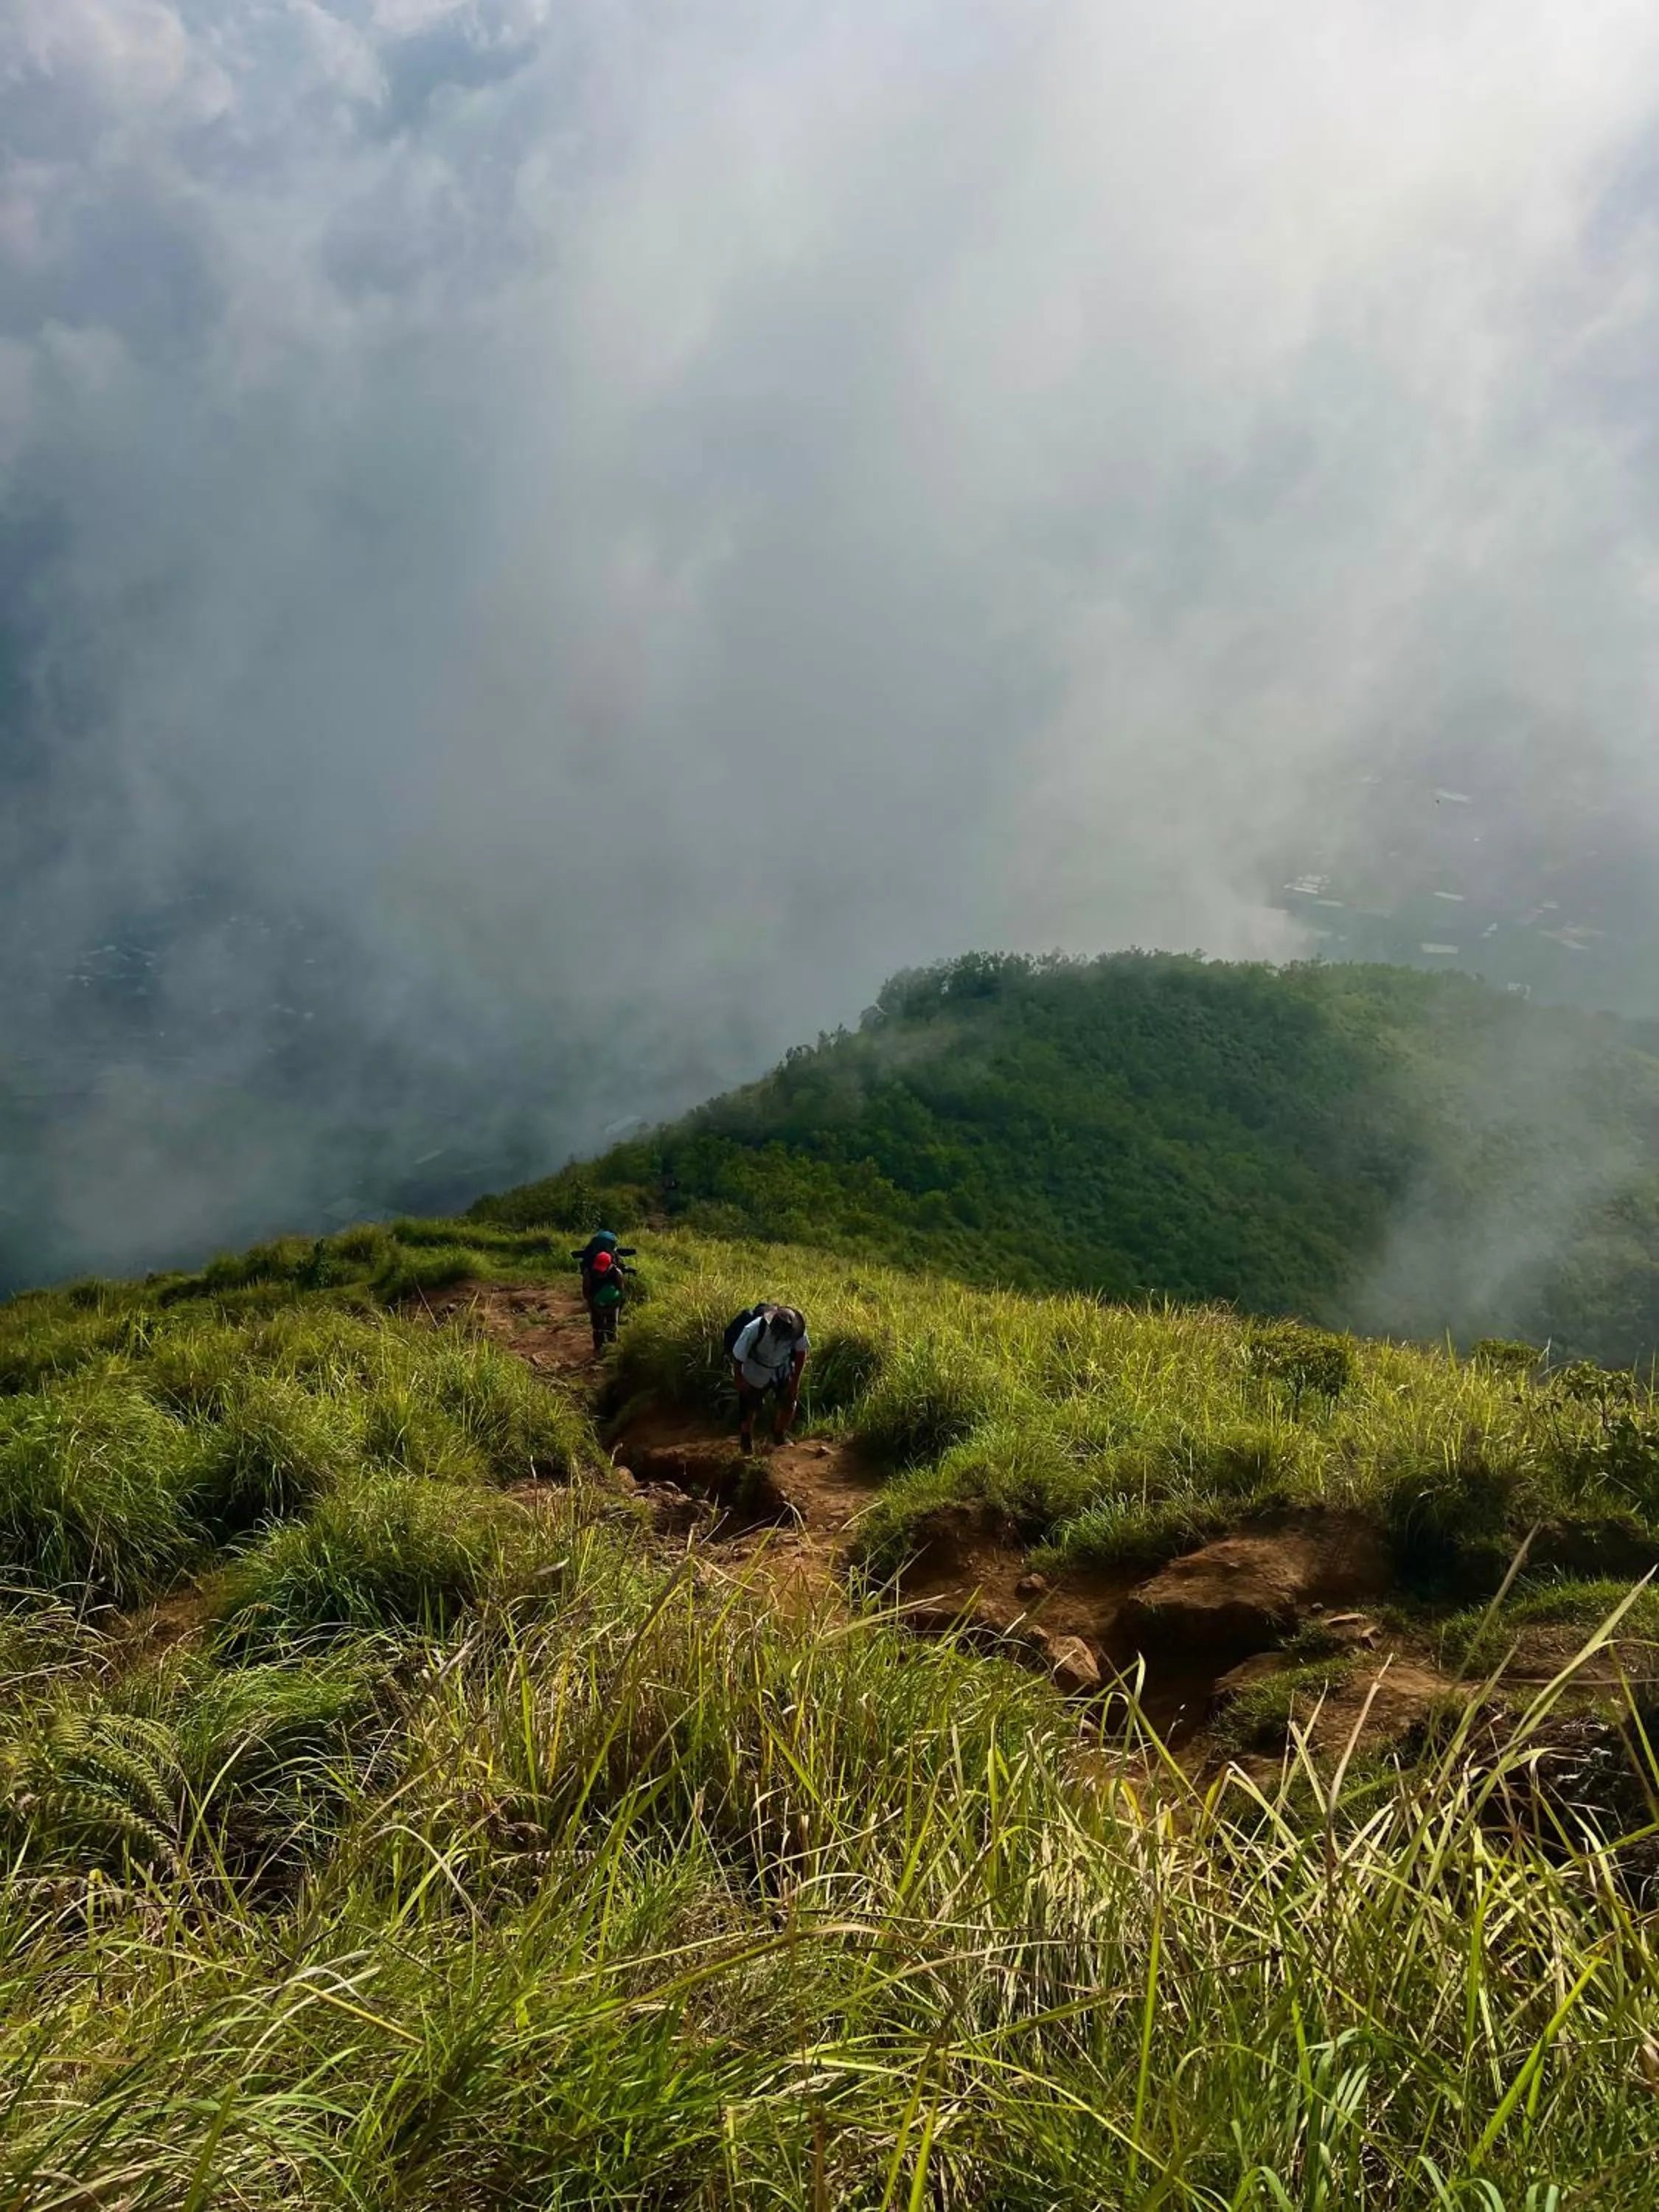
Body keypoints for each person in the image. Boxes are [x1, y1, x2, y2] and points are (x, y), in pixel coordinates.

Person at [729, 1304, 810, 1452]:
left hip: (782, 1366)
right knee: (749, 1403)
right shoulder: (754, 1329)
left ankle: (779, 1434)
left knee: (789, 1400)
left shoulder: (797, 1330)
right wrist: (739, 1381)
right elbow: (738, 1357)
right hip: (756, 1367)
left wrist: (795, 1382)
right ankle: (746, 1439)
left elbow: (801, 1353)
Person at [571, 1231, 635, 1354]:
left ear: (609, 1267)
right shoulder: (589, 1273)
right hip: (595, 1300)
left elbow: (620, 1294)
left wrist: (612, 1307)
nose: (599, 1273)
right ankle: (598, 1352)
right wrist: (596, 1307)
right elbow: (586, 1294)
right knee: (597, 1328)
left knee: (612, 1327)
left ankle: (612, 1352)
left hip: (613, 1302)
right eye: (597, 1270)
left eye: (602, 1270)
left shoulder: (616, 1273)